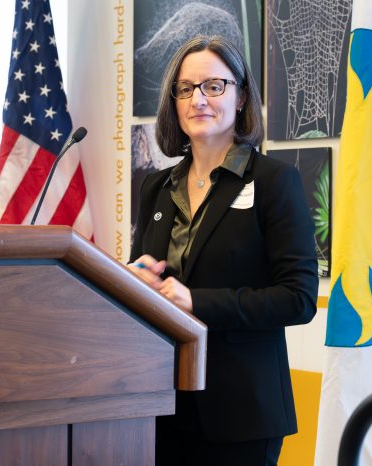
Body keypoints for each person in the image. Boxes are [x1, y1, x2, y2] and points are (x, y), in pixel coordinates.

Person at [128, 35, 318, 466]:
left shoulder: (273, 182)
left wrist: (196, 302)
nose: (199, 99)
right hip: (162, 406)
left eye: (214, 86)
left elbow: (299, 298)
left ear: (241, 95)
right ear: (173, 101)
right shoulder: (156, 187)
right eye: (186, 88)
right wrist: (133, 279)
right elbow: (146, 273)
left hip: (242, 413)